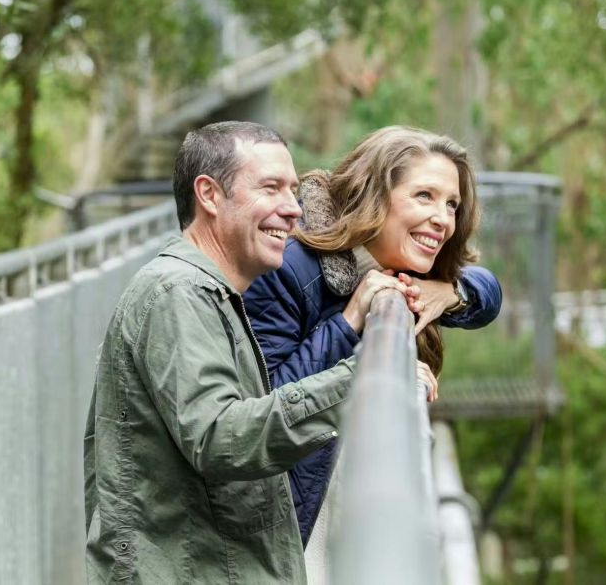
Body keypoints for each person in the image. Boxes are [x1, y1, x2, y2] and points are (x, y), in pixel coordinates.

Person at [84, 121, 358, 584]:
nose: (293, 209)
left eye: (293, 190)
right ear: (209, 195)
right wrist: (358, 382)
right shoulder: (178, 293)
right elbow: (219, 436)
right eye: (270, 188)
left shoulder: (208, 293)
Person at [242, 125, 503, 547]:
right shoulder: (289, 266)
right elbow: (261, 408)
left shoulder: (405, 265)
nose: (443, 219)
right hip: (279, 518)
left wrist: (452, 292)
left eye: (452, 204)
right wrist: (350, 323)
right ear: (375, 194)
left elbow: (489, 292)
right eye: (424, 196)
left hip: (345, 497)